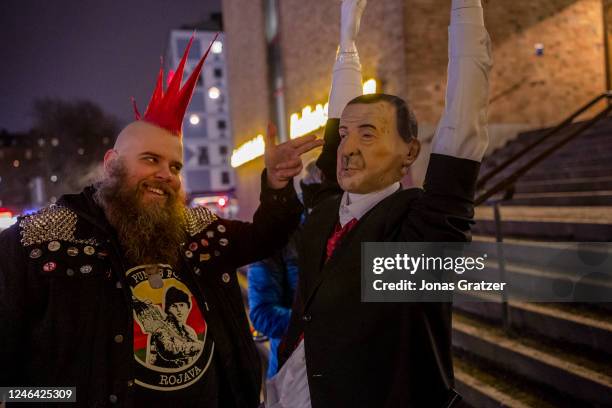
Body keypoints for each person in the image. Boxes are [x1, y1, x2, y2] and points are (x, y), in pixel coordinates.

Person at [0, 36, 322, 407]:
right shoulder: (39, 239)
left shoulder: (196, 228)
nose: (166, 174)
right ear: (111, 163)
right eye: (150, 160)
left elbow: (267, 237)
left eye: (175, 166)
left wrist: (278, 185)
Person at [269, 0, 492, 407]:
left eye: (368, 135)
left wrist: (466, 10)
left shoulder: (417, 226)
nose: (348, 149)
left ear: (410, 152)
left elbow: (463, 125)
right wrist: (346, 41)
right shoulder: (324, 210)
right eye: (346, 136)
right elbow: (335, 134)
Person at [247, 161, 323, 379]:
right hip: (294, 372)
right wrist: (320, 322)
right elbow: (262, 314)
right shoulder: (279, 237)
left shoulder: (361, 226)